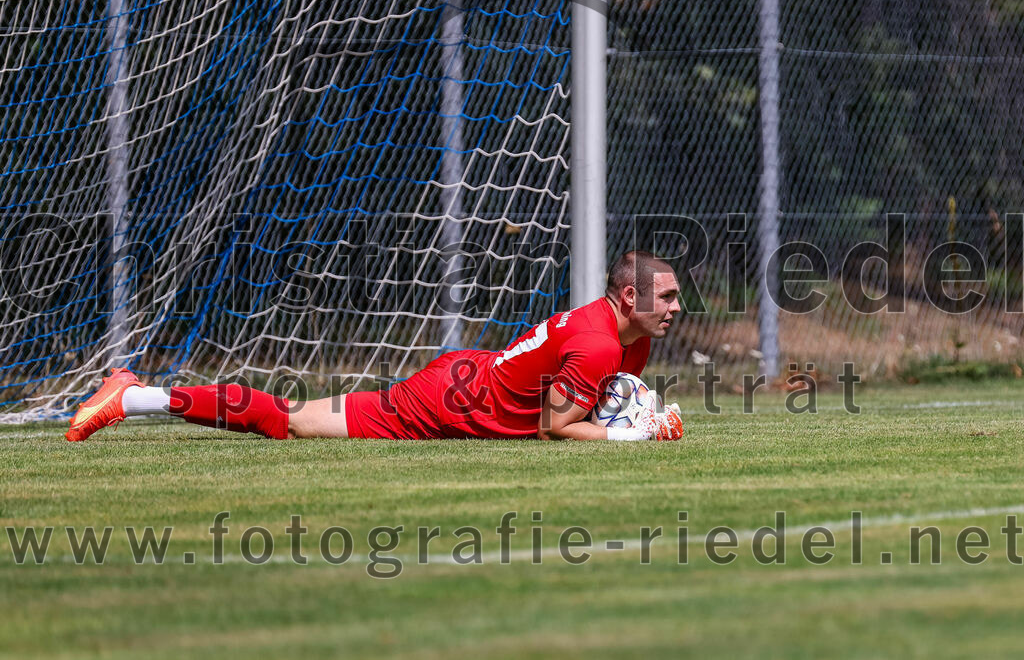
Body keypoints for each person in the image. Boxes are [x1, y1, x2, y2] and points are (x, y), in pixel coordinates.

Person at [65, 250, 685, 442]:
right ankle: (135, 396)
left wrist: (635, 412)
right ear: (630, 299)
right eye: (670, 298)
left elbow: (573, 398)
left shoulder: (626, 339)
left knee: (298, 422)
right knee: (296, 423)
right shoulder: (603, 345)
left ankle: (137, 395)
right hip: (448, 401)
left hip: (467, 375)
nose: (679, 309)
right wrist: (635, 431)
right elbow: (557, 426)